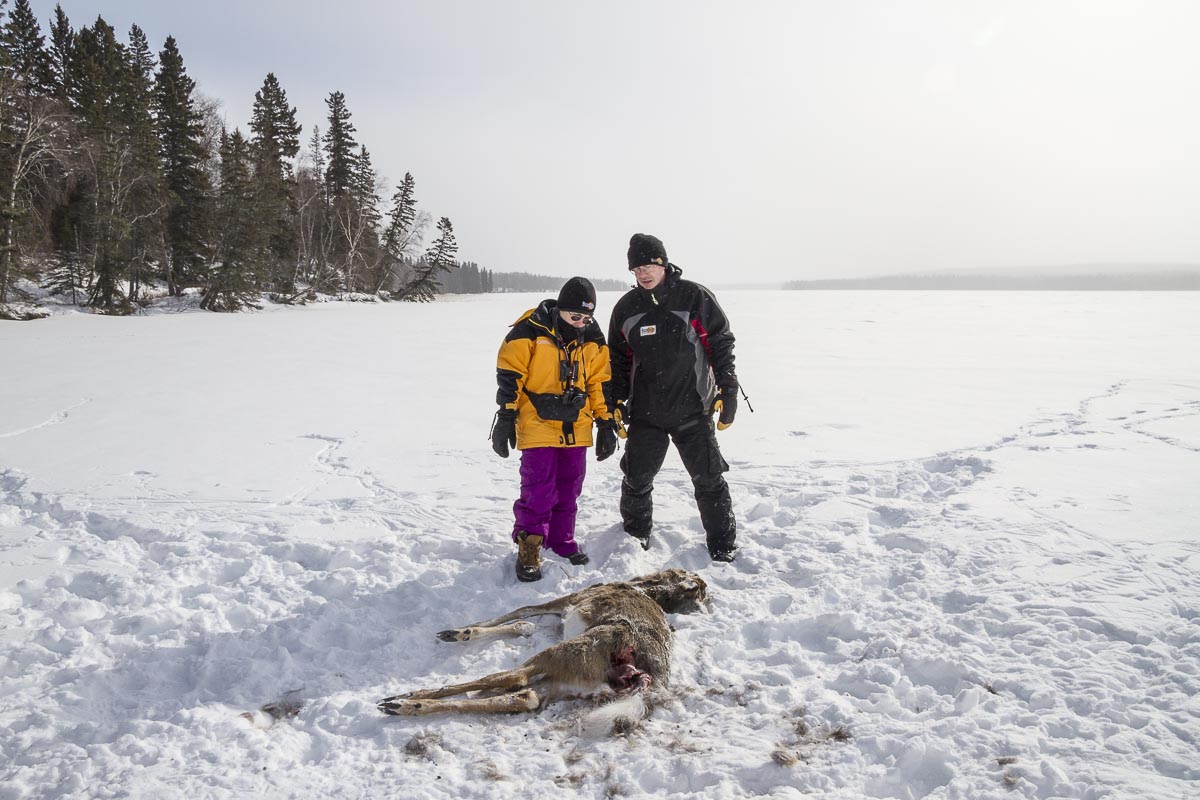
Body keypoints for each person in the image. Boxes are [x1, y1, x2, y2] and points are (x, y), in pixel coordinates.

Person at [607, 233, 739, 562]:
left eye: (649, 265)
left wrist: (729, 387)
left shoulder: (693, 297)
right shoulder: (626, 309)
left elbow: (720, 344)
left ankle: (722, 547)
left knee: (709, 479)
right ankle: (635, 541)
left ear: (663, 263)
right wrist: (614, 402)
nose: (643, 274)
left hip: (693, 409)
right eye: (636, 269)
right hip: (645, 413)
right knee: (636, 479)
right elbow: (617, 362)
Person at [491, 277, 619, 582]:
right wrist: (506, 417)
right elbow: (509, 377)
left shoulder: (593, 339)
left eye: (586, 318)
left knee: (570, 485)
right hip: (537, 422)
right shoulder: (529, 332)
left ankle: (561, 540)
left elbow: (598, 383)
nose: (580, 323)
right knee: (538, 488)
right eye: (575, 316)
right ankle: (530, 546)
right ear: (561, 309)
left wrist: (605, 422)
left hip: (576, 425)